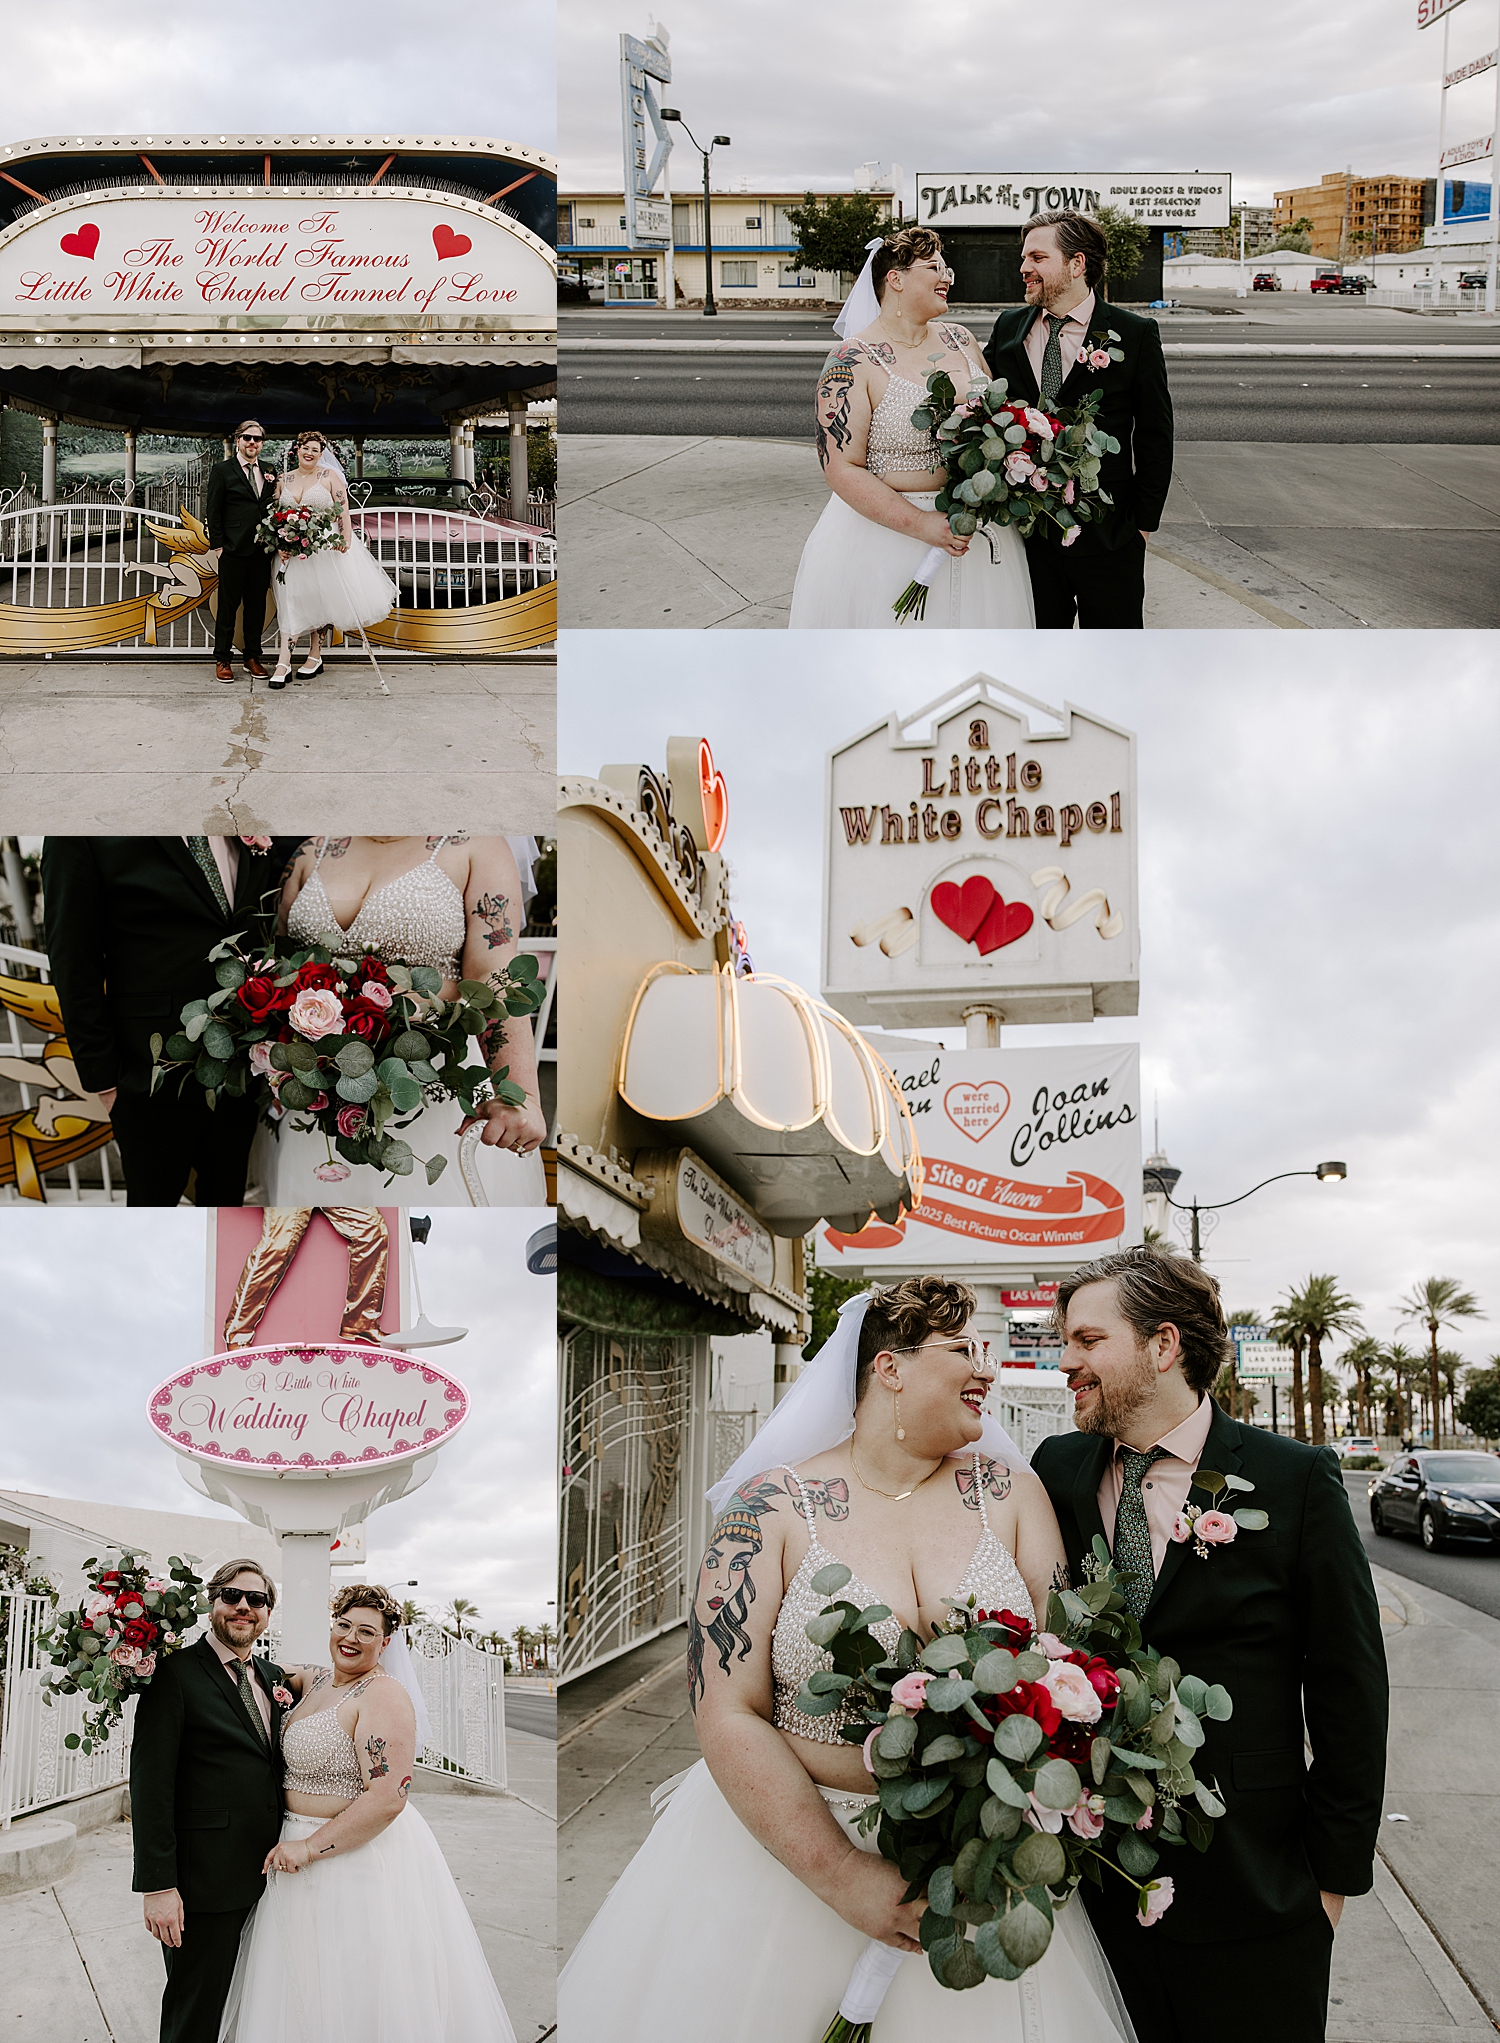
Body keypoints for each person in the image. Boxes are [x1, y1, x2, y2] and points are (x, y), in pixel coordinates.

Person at [559, 1278, 1138, 2041]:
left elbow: (1069, 1673)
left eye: (986, 1351)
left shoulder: (1013, 1495)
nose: (987, 1370)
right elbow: (726, 1708)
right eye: (964, 1349)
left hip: (972, 1867)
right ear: (889, 1367)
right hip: (785, 1863)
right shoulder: (768, 1510)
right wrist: (840, 1874)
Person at [1032, 1248, 1388, 2043]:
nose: (1066, 1361)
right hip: (1095, 1894)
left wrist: (1329, 1889)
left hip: (1256, 1894)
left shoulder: (1293, 1479)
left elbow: (1349, 1689)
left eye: (1087, 1340)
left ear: (1162, 1346)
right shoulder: (1055, 1469)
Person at [218, 1583, 516, 2041]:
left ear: (385, 1642)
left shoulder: (384, 1696)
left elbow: (388, 1796)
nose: (350, 1638)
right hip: (290, 1852)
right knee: (297, 1985)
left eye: (366, 1631)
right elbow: (246, 1663)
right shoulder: (315, 1680)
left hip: (351, 1858)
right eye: (343, 1625)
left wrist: (311, 1847)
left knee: (356, 1984)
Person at [252, 835, 547, 1204]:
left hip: (430, 1088)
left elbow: (494, 977)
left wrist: (521, 1093)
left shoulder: (478, 846)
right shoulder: (313, 850)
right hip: (318, 1094)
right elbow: (281, 968)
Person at [788, 227, 1034, 629]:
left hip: (974, 527)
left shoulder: (961, 339)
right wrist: (921, 525)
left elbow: (998, 417)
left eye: (947, 266)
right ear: (896, 279)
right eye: (934, 266)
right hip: (888, 539)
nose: (948, 276)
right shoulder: (851, 360)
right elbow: (840, 467)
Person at [40, 836, 297, 1205]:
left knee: (226, 1208)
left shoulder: (240, 810)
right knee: (151, 1209)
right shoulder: (83, 829)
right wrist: (103, 1079)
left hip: (241, 1064)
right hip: (149, 1070)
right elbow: (73, 959)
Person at [983, 212, 1174, 629]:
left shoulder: (1135, 332)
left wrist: (1141, 527)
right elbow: (981, 405)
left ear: (1077, 263)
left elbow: (1156, 435)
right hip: (1028, 537)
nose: (1024, 269)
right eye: (1023, 258)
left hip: (1109, 537)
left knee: (1112, 662)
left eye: (1037, 257)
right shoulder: (1009, 327)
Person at [131, 1562, 291, 2043]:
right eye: (231, 1596)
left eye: (256, 1600)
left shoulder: (274, 1676)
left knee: (252, 2000)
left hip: (271, 1873)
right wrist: (158, 1885)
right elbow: (151, 1784)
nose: (244, 1607)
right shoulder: (174, 1675)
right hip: (203, 1882)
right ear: (212, 1603)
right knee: (196, 2009)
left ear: (267, 1614)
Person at [266, 429, 396, 690]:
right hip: (292, 551)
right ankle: (284, 661)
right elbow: (276, 515)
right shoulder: (283, 479)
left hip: (326, 547)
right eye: (306, 448)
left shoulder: (330, 476)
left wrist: (346, 540)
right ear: (297, 450)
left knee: (320, 598)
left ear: (321, 454)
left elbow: (342, 511)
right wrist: (280, 543)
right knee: (292, 600)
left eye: (315, 450)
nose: (310, 453)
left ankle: (315, 654)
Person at [205, 423, 278, 682]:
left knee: (256, 606)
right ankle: (223, 658)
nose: (252, 443)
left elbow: (273, 507)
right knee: (228, 606)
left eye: (257, 439)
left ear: (262, 443)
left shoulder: (270, 470)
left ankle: (252, 657)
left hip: (262, 550)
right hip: (232, 549)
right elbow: (213, 510)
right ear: (238, 440)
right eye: (247, 437)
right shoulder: (222, 470)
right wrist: (218, 545)